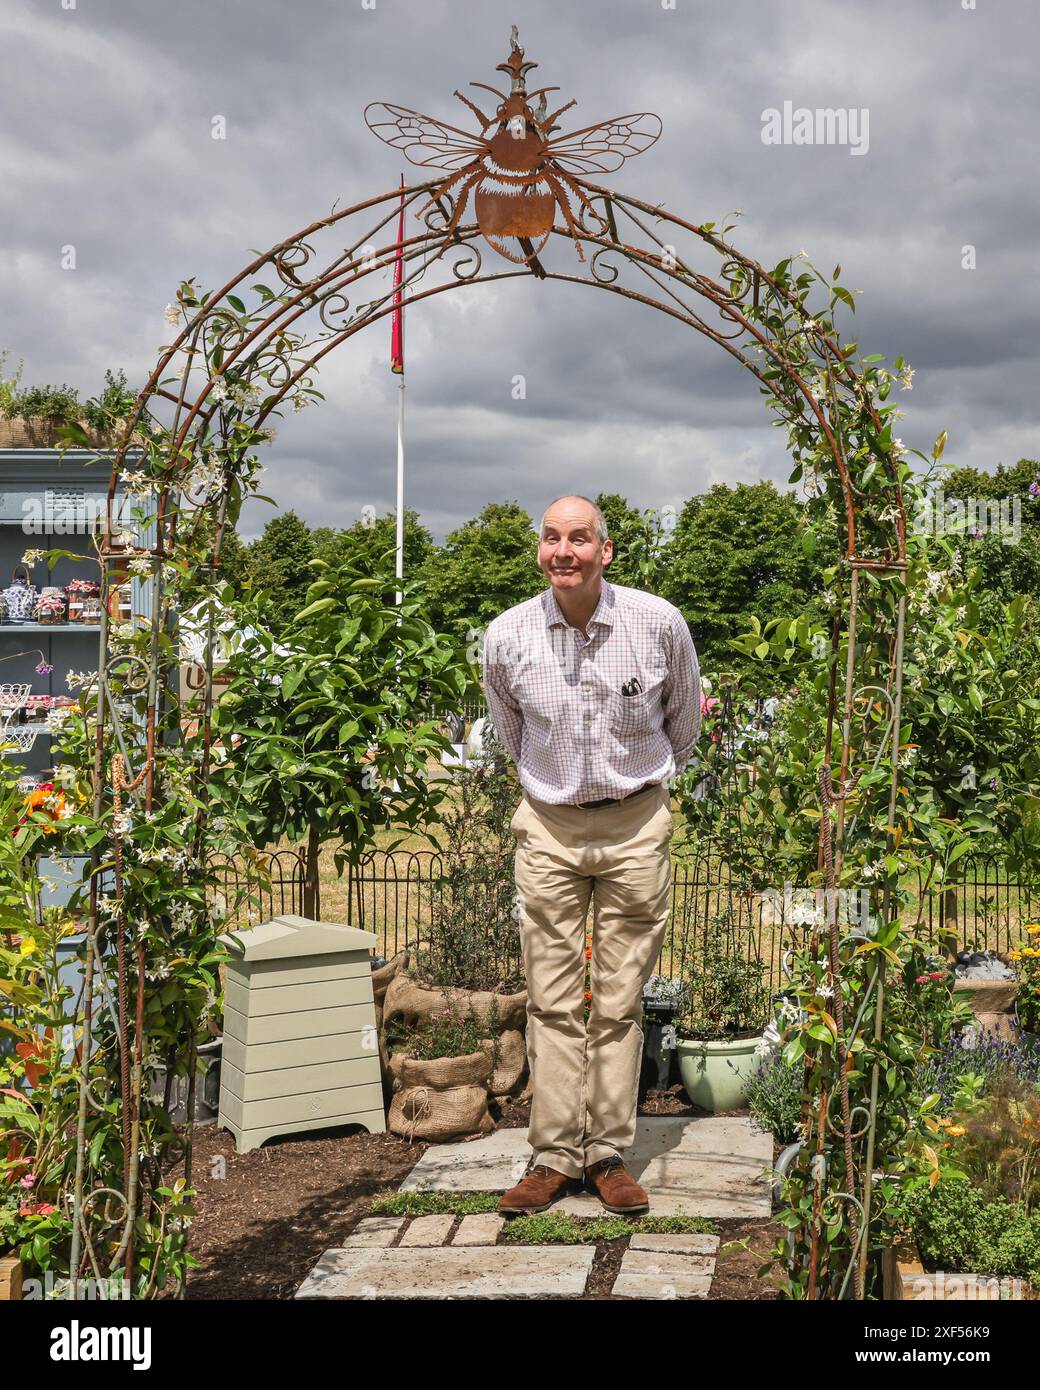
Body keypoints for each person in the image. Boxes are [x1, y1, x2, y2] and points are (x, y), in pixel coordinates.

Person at [482, 495, 701, 1216]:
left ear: (605, 551)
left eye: (579, 538)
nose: (564, 551)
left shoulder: (657, 624)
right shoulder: (508, 635)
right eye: (551, 538)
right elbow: (507, 731)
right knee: (548, 997)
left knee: (617, 998)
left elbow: (683, 724)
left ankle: (607, 1154)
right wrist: (555, 792)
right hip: (547, 826)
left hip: (636, 823)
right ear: (540, 551)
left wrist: (636, 794)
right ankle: (551, 1158)